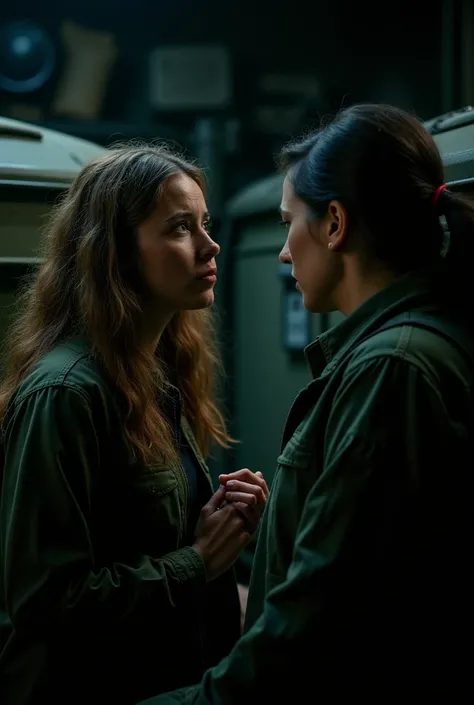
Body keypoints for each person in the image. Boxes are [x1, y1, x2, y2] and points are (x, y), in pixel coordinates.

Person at [141, 103, 474, 704]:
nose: (284, 251)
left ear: (335, 224)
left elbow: (317, 625)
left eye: (290, 221)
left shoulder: (391, 370)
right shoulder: (412, 346)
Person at [0, 144, 268, 705]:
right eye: (179, 228)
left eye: (204, 224)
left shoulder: (154, 372)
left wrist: (222, 519)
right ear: (117, 254)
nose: (210, 244)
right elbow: (48, 601)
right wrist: (196, 563)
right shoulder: (65, 392)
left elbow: (141, 533)